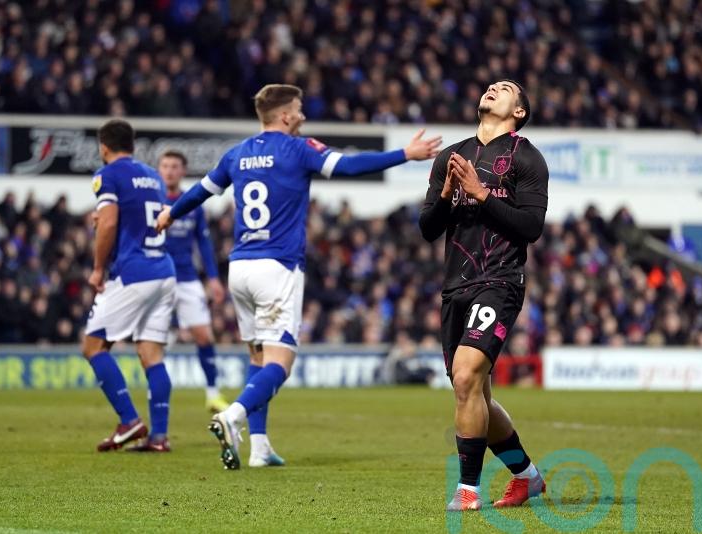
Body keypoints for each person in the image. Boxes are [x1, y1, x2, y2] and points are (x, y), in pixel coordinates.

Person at [156, 84, 440, 469]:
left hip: (239, 266)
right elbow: (348, 166)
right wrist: (405, 154)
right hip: (277, 267)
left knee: (258, 356)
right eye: (299, 109)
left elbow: (200, 192)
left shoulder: (237, 154)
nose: (303, 115)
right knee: (281, 362)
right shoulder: (298, 149)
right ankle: (233, 416)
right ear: (286, 115)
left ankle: (258, 447)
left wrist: (170, 214)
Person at [419, 80, 548, 511]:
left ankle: (468, 490)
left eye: (506, 89)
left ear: (520, 112)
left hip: (500, 279)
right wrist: (444, 195)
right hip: (455, 286)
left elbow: (531, 227)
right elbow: (428, 228)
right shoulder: (449, 157)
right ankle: (526, 476)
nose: (493, 88)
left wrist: (480, 194)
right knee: (471, 390)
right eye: (491, 85)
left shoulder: (527, 157)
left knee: (468, 370)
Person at [82, 119, 176, 453]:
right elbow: (142, 216)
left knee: (93, 346)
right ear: (133, 145)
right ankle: (160, 437)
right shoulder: (152, 175)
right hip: (164, 271)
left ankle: (129, 420)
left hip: (134, 272)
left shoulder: (107, 174)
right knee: (151, 352)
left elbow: (109, 220)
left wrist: (97, 269)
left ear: (103, 147)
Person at [158, 149, 230, 413]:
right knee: (154, 341)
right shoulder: (152, 200)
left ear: (183, 171)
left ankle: (212, 394)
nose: (169, 170)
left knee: (204, 335)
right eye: (165, 166)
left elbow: (203, 242)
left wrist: (213, 278)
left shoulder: (192, 203)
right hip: (157, 277)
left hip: (187, 277)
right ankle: (157, 398)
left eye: (174, 166)